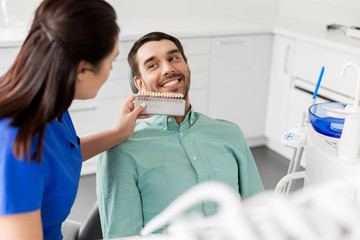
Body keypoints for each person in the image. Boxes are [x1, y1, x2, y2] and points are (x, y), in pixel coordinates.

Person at [0, 0, 148, 239]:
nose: (111, 70)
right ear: (82, 69)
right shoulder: (16, 143)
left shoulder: (49, 104)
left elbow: (64, 152)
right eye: (110, 62)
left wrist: (120, 132)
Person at [96, 31, 265, 238]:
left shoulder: (230, 133)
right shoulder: (121, 150)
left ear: (187, 67)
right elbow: (123, 237)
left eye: (173, 58)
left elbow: (259, 214)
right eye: (153, 65)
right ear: (139, 84)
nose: (168, 69)